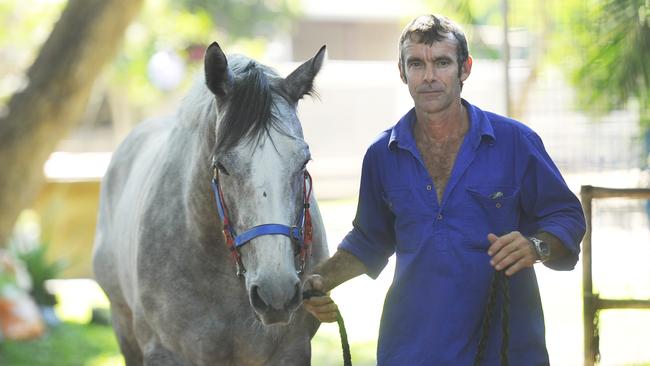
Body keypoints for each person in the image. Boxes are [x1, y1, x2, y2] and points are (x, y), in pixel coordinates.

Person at [302, 14, 586, 365]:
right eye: (417, 64)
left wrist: (536, 246)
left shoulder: (516, 142)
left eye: (442, 62)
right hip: (409, 350)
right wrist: (318, 281)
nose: (429, 77)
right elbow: (369, 240)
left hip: (504, 348)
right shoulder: (381, 154)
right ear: (402, 71)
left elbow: (567, 216)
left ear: (465, 68)